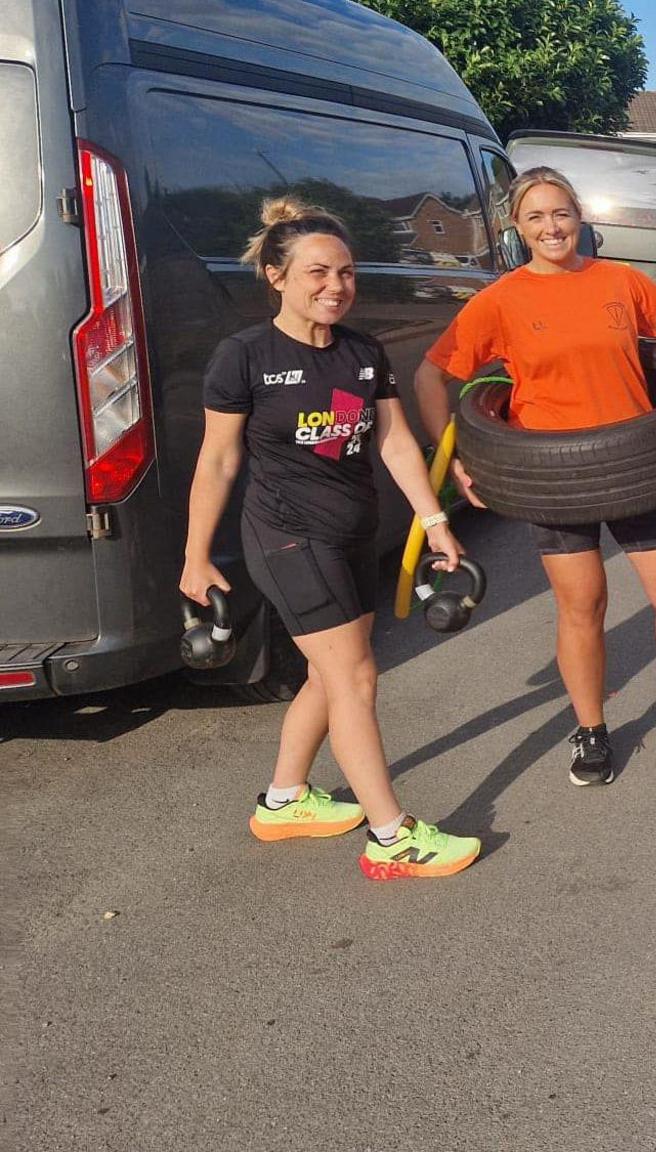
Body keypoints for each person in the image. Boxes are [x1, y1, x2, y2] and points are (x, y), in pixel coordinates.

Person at [182, 198, 480, 880]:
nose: (336, 286)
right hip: (288, 538)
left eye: (346, 273)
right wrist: (196, 556)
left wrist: (434, 520)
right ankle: (391, 835)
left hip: (351, 533)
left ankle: (285, 801)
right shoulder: (246, 357)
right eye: (317, 272)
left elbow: (394, 442)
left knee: (329, 672)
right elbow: (219, 459)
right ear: (275, 275)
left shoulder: (359, 353)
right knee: (355, 676)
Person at [415, 167, 656, 787]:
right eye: (535, 217)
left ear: (579, 216)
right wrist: (453, 454)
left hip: (637, 464)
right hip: (554, 476)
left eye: (560, 213)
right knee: (583, 604)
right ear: (518, 227)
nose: (551, 227)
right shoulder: (502, 299)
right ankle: (591, 728)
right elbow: (433, 376)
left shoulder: (622, 282)